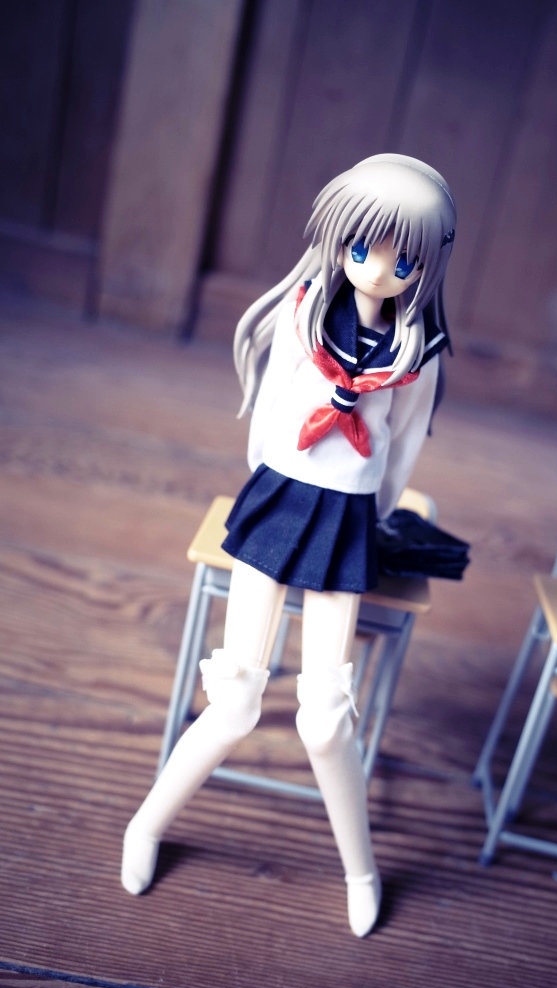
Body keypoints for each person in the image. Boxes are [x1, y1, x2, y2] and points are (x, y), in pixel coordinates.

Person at [121, 153, 457, 937]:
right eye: (363, 248)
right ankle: (146, 824)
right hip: (280, 497)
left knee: (325, 719)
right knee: (235, 701)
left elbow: (402, 452)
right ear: (338, 239)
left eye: (404, 260)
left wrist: (372, 510)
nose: (379, 270)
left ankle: (361, 869)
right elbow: (272, 411)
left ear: (428, 265)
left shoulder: (415, 353)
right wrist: (275, 477)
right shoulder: (304, 316)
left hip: (347, 516)